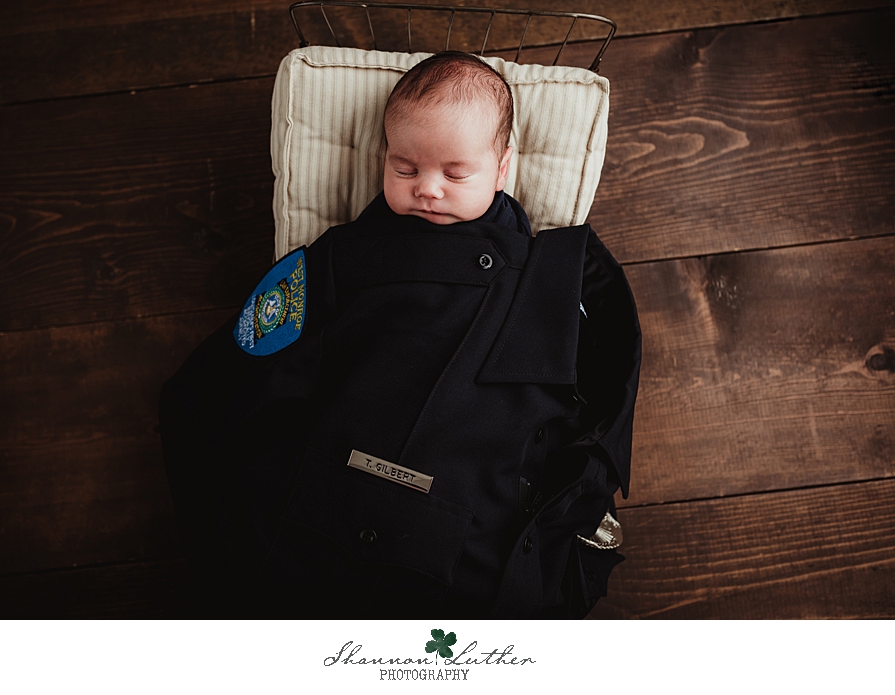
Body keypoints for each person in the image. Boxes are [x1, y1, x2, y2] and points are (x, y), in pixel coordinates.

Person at [160, 51, 641, 618]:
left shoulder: (554, 276)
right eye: (405, 169)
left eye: (455, 174)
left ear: (502, 167)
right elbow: (242, 367)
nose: (428, 189)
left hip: (476, 514)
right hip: (335, 491)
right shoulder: (341, 257)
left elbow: (600, 399)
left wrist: (578, 499)